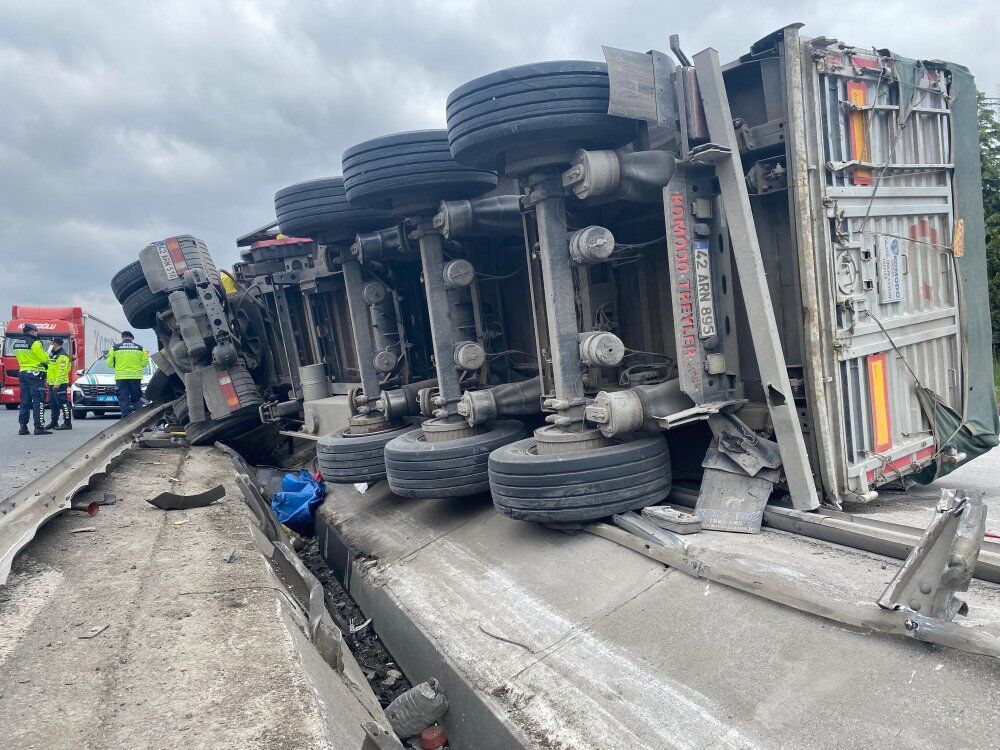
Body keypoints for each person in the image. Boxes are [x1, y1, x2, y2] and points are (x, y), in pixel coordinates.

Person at [13, 323, 51, 435]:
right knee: (38, 401)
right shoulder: (35, 343)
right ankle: (39, 427)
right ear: (32, 331)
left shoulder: (17, 343)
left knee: (24, 402)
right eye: (36, 331)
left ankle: (23, 427)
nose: (37, 333)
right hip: (35, 375)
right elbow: (45, 359)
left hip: (23, 373)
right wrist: (46, 357)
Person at [105, 331, 148, 418]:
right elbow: (144, 363)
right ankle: (139, 418)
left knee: (123, 399)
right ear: (132, 338)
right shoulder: (140, 348)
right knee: (136, 399)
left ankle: (125, 418)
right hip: (136, 377)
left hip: (121, 377)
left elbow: (109, 363)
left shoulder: (115, 348)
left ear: (122, 337)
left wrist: (117, 365)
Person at [45, 336, 73, 431]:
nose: (51, 344)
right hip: (52, 383)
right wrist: (48, 380)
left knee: (63, 403)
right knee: (52, 403)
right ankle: (54, 422)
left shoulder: (63, 356)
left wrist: (57, 383)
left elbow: (63, 371)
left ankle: (67, 423)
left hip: (60, 383)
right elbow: (50, 369)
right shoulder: (53, 354)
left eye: (53, 342)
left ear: (57, 343)